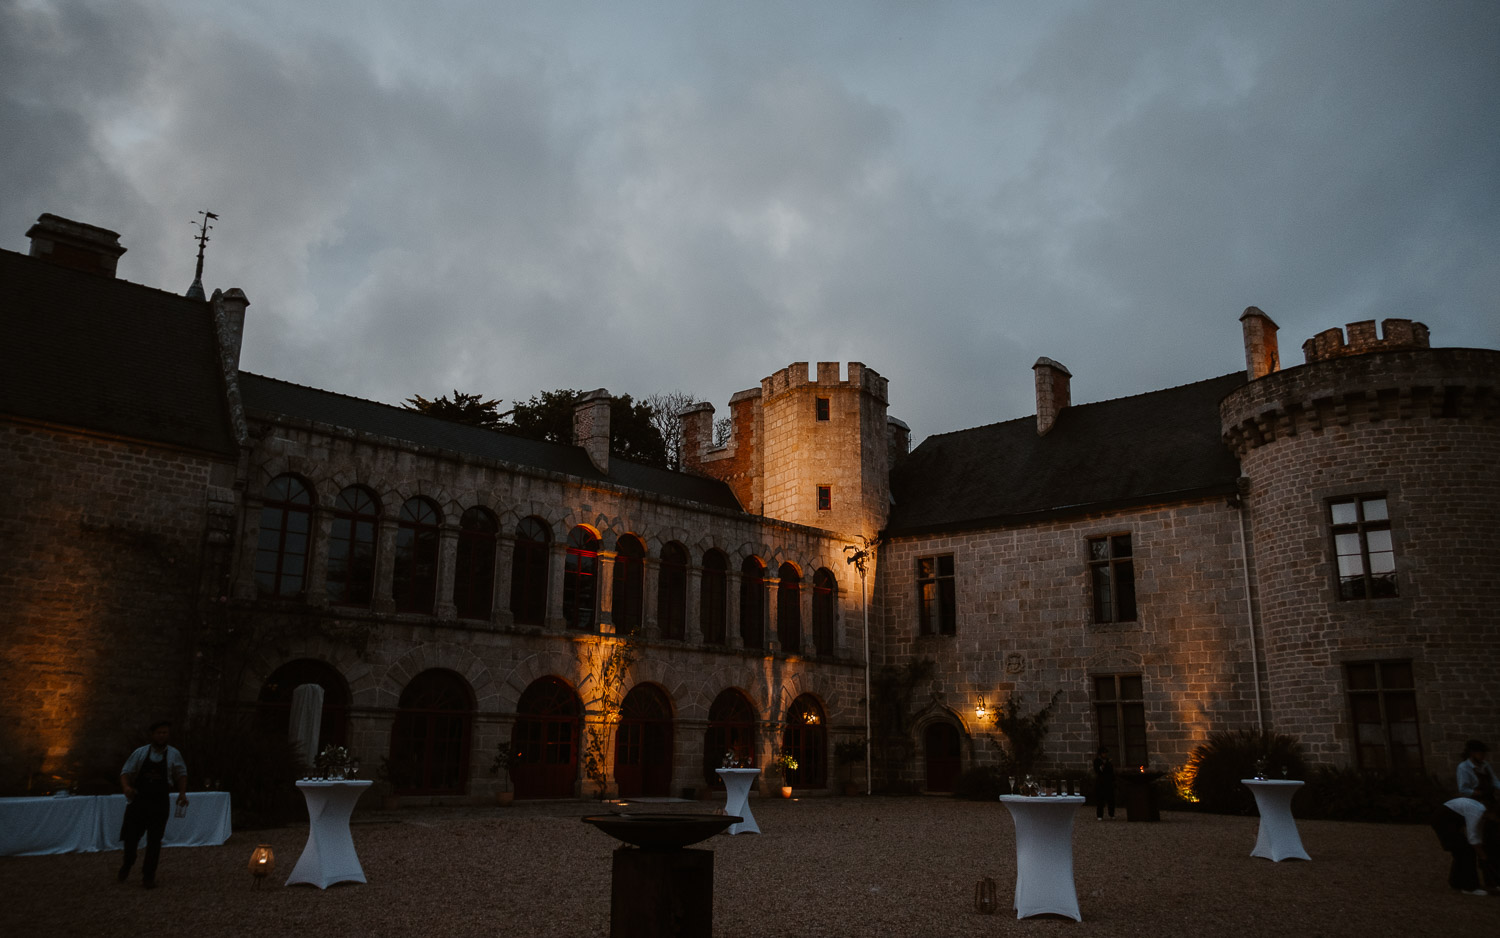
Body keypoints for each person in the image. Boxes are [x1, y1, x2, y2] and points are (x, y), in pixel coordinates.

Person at [118, 721, 189, 888]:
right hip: (139, 801)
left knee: (155, 840)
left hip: (159, 802)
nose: (162, 735)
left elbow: (181, 774)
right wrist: (127, 787)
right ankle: (128, 862)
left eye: (165, 733)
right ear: (153, 734)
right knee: (130, 837)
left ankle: (148, 876)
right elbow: (125, 772)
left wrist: (182, 793)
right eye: (159, 733)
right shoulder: (140, 753)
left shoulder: (174, 754)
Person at [1430, 780, 1496, 896]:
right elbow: (1472, 836)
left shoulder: (1480, 812)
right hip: (1443, 821)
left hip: (1449, 821)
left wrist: (1481, 850)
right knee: (1466, 851)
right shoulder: (1477, 812)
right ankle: (1469, 887)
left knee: (1461, 851)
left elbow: (1477, 833)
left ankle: (1456, 882)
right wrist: (1482, 854)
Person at [1092, 746, 1116, 820]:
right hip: (1101, 782)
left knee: (1111, 799)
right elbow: (1098, 770)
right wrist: (1102, 766)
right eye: (1103, 753)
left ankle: (1111, 814)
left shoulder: (1108, 761)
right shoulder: (1097, 761)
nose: (1105, 754)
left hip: (1108, 782)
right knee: (1100, 800)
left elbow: (1111, 771)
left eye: (1105, 753)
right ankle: (1100, 815)